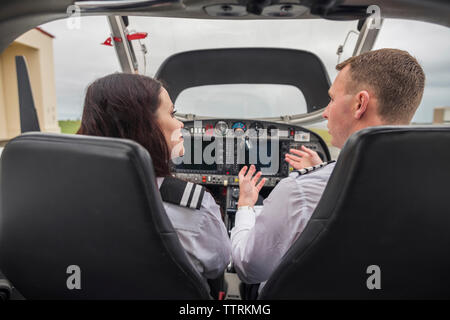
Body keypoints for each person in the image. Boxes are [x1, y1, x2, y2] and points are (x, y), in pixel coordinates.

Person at [231, 48, 426, 291]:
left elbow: (249, 268)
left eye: (332, 99)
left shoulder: (299, 190)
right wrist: (323, 171)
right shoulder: (433, 186)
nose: (325, 112)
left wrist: (245, 206)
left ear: (359, 104)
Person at [77, 73, 231, 282]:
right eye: (172, 113)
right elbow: (218, 263)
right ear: (145, 125)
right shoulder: (193, 207)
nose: (180, 124)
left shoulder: (67, 196)